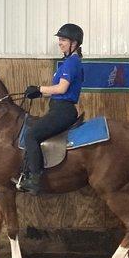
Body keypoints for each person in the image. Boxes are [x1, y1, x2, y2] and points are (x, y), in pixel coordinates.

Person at [19, 23, 84, 195]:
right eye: (60, 40)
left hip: (64, 111)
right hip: (57, 108)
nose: (60, 43)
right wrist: (38, 93)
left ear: (74, 43)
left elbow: (62, 89)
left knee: (31, 135)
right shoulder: (67, 63)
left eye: (63, 40)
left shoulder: (72, 63)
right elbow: (57, 91)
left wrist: (39, 89)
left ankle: (35, 179)